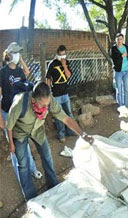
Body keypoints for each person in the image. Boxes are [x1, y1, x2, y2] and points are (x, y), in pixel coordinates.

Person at [7, 82, 94, 201]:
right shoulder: (19, 103)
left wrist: (83, 135)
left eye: (47, 105)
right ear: (33, 100)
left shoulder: (49, 101)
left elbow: (67, 119)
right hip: (19, 132)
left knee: (47, 156)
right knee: (23, 165)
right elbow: (9, 126)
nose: (45, 108)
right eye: (42, 105)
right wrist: (11, 144)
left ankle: (53, 185)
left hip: (37, 130)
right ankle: (30, 197)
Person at [0, 42, 42, 182]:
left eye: (19, 52)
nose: (18, 55)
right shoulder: (3, 72)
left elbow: (27, 73)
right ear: (9, 54)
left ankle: (32, 168)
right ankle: (20, 175)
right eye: (16, 52)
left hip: (19, 113)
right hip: (7, 112)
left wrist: (21, 60)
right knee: (13, 146)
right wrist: (0, 116)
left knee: (23, 142)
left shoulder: (18, 71)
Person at [46, 45, 75, 143]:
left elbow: (68, 75)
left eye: (64, 54)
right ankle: (61, 134)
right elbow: (48, 78)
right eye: (60, 54)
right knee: (58, 116)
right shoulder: (52, 64)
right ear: (57, 53)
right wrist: (48, 92)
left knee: (69, 113)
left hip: (65, 92)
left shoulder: (66, 62)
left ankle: (70, 131)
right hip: (56, 94)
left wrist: (64, 65)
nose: (62, 56)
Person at [111, 33, 128, 111]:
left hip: (126, 71)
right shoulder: (114, 49)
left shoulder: (125, 47)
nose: (119, 41)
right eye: (118, 39)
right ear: (116, 40)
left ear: (123, 40)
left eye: (121, 39)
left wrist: (127, 56)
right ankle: (120, 107)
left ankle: (126, 106)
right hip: (118, 72)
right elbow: (115, 60)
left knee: (126, 89)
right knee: (119, 89)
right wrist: (122, 56)